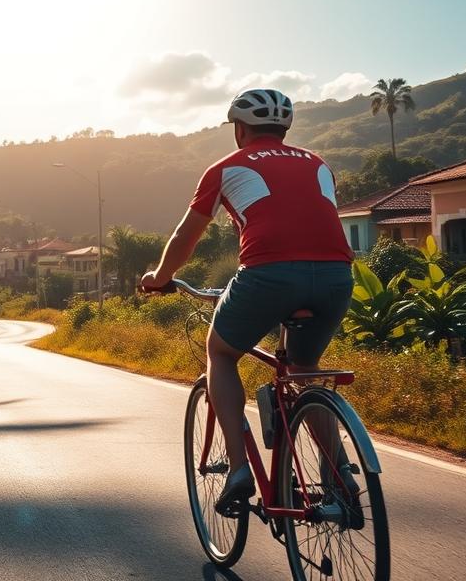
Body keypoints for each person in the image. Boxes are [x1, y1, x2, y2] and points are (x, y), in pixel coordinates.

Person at [139, 88, 354, 514]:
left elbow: (187, 236)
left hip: (268, 276)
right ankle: (339, 475)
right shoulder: (317, 163)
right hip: (336, 276)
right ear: (284, 128)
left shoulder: (226, 167)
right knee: (304, 367)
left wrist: (158, 278)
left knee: (220, 352)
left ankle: (239, 470)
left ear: (240, 129)